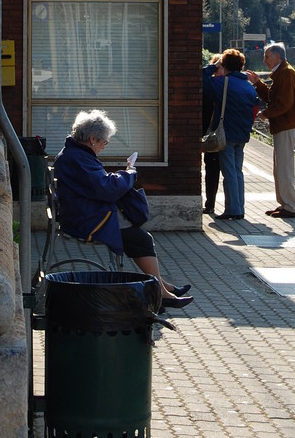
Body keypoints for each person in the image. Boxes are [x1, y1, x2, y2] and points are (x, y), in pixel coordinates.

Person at [54, 108, 194, 309]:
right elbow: (105, 188)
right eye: (104, 142)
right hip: (87, 220)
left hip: (82, 214)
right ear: (93, 139)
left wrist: (123, 175)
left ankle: (161, 286)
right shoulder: (78, 158)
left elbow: (97, 183)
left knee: (137, 237)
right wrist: (129, 174)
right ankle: (160, 292)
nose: (104, 146)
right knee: (141, 239)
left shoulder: (74, 153)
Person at [246, 42, 295, 219]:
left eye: (267, 56)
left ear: (278, 56)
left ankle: (291, 206)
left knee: (284, 166)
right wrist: (258, 83)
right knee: (280, 166)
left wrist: (265, 114)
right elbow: (273, 96)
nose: (265, 60)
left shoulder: (286, 73)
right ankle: (285, 203)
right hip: (283, 124)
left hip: (286, 124)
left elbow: (283, 103)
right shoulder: (282, 72)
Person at [203, 48, 257, 220]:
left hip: (226, 134)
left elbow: (202, 78)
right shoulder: (248, 87)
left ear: (224, 65)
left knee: (229, 172)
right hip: (242, 134)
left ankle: (233, 209)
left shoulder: (223, 83)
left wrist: (214, 66)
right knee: (237, 171)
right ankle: (239, 206)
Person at [202, 52, 223, 214]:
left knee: (214, 168)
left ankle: (211, 203)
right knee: (213, 168)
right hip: (212, 133)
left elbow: (201, 75)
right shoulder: (212, 83)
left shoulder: (213, 84)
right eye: (219, 67)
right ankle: (211, 203)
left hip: (214, 132)